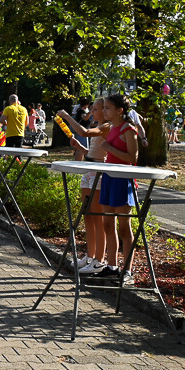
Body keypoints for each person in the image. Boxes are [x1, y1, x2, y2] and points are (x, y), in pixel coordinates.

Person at [87, 94, 138, 285]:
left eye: (107, 108)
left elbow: (133, 157)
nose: (104, 111)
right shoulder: (112, 128)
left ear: (119, 110)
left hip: (122, 181)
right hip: (108, 178)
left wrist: (109, 148)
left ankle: (128, 270)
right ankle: (112, 266)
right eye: (104, 108)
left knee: (124, 227)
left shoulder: (128, 130)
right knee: (107, 224)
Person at [57, 98, 109, 275]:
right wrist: (80, 147)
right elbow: (92, 154)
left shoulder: (106, 127)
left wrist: (67, 117)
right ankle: (90, 255)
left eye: (96, 109)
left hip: (99, 174)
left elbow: (84, 132)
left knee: (98, 218)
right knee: (87, 215)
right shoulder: (98, 126)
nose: (92, 112)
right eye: (92, 109)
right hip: (89, 171)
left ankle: (99, 259)